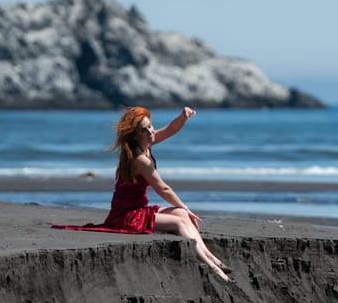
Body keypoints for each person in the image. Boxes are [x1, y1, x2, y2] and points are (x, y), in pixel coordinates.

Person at [52, 106, 233, 282]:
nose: (150, 132)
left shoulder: (146, 143)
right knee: (180, 220)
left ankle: (212, 257)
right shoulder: (139, 160)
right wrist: (184, 205)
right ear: (135, 136)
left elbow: (170, 129)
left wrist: (183, 117)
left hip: (139, 209)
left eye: (150, 126)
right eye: (144, 130)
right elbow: (162, 188)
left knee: (182, 214)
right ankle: (212, 267)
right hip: (127, 217)